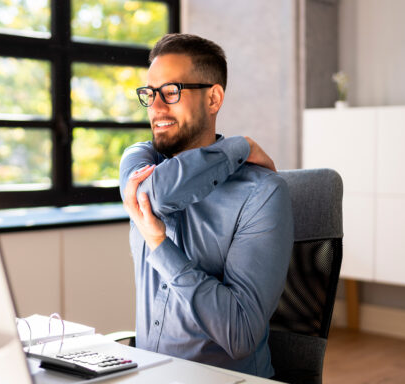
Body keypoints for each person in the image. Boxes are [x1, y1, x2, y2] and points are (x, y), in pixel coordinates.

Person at [119, 33, 294, 378]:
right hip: (149, 374)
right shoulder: (139, 159)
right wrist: (238, 147)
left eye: (171, 92)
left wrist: (159, 245)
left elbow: (240, 334)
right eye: (150, 94)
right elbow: (157, 196)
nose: (155, 107)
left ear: (213, 98)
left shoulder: (262, 194)